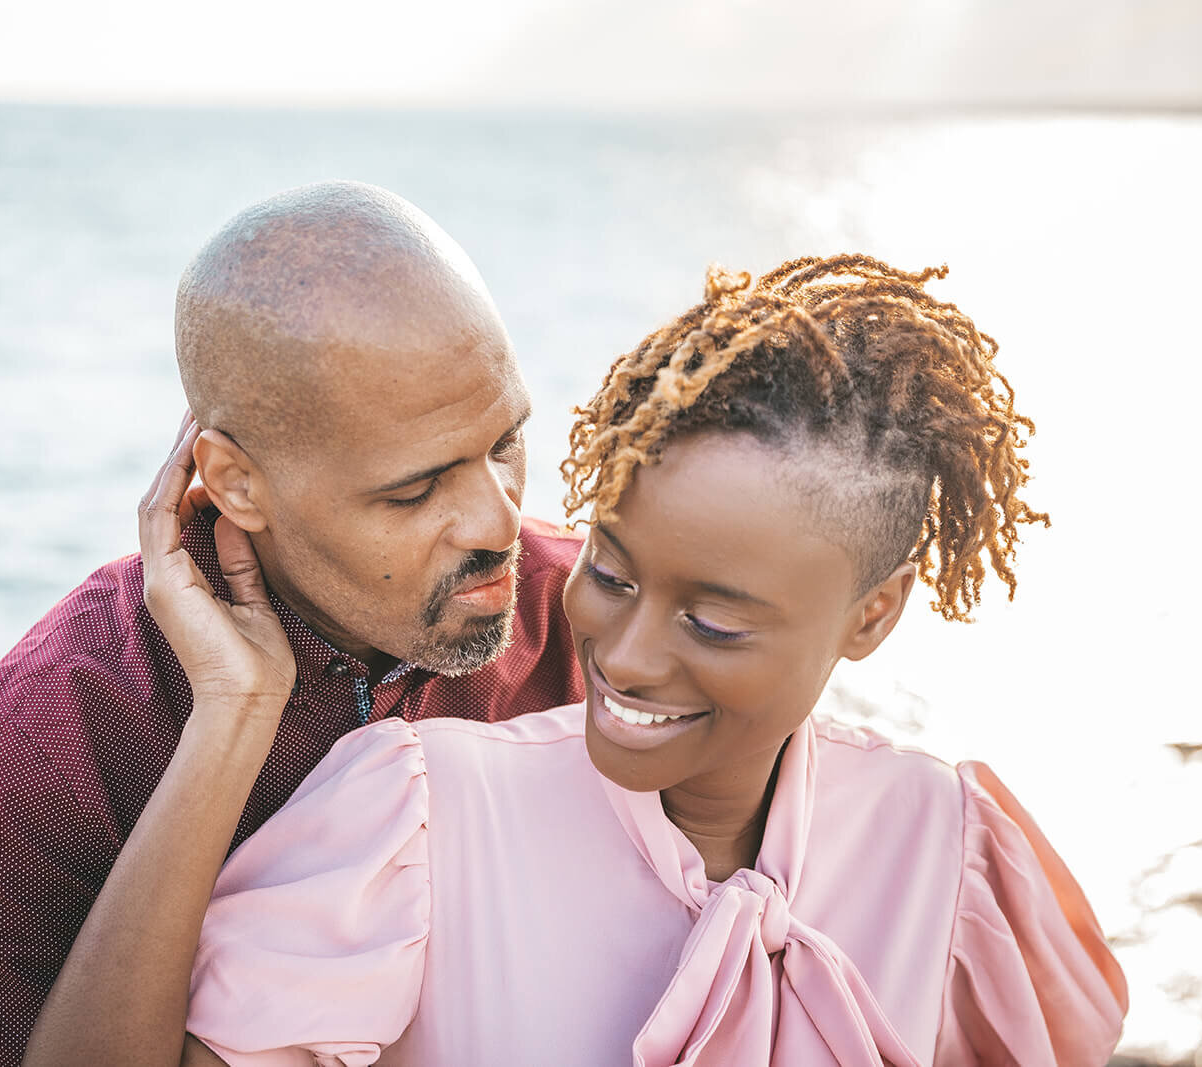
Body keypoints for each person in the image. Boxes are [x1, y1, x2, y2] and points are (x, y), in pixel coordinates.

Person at [178, 256, 1130, 1064]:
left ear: (873, 615)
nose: (624, 659)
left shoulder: (954, 849)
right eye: (611, 573)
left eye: (714, 623)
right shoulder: (415, 817)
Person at [0, 182, 586, 1067]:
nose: (502, 523)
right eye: (416, 489)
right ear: (235, 483)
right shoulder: (49, 735)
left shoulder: (597, 621)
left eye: (505, 443)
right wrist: (231, 723)